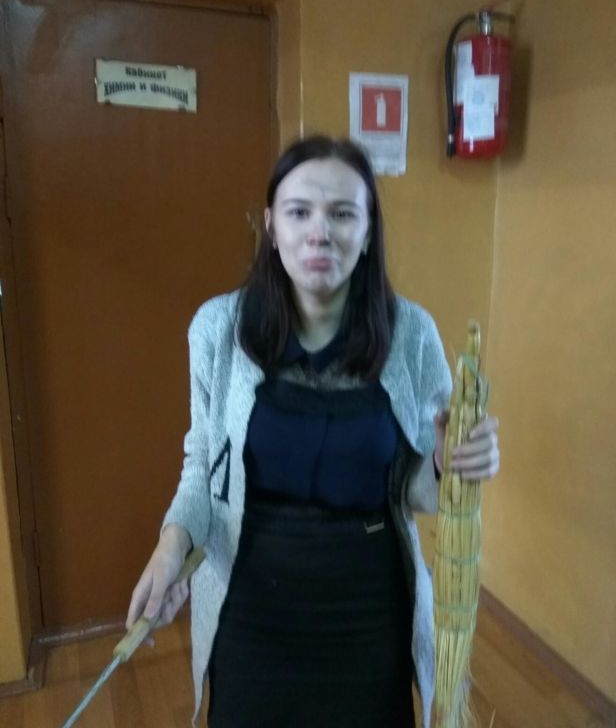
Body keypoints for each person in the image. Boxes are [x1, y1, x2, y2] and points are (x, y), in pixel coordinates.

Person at [126, 135, 500, 728]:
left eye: (343, 214)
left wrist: (449, 463)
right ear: (272, 227)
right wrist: (171, 548)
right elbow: (204, 466)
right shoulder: (218, 329)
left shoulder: (411, 335)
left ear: (369, 232)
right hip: (251, 606)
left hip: (368, 611)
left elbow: (420, 492)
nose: (319, 232)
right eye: (299, 212)